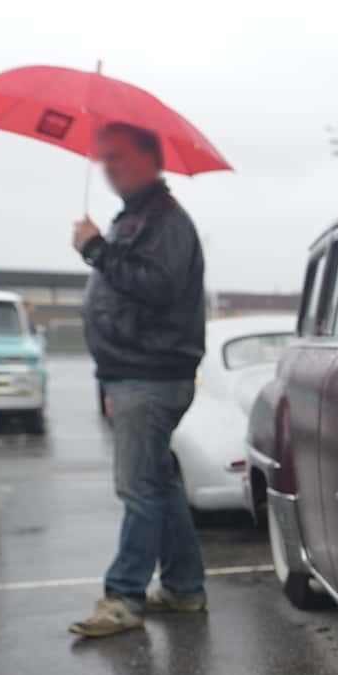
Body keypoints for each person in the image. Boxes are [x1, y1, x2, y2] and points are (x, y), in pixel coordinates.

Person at [67, 121, 209, 638]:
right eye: (103, 157)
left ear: (151, 158)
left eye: (118, 156)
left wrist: (95, 249)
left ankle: (124, 596)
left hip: (150, 374)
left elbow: (157, 286)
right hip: (133, 374)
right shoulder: (137, 217)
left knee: (139, 488)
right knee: (159, 484)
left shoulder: (165, 220)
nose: (108, 167)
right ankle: (183, 588)